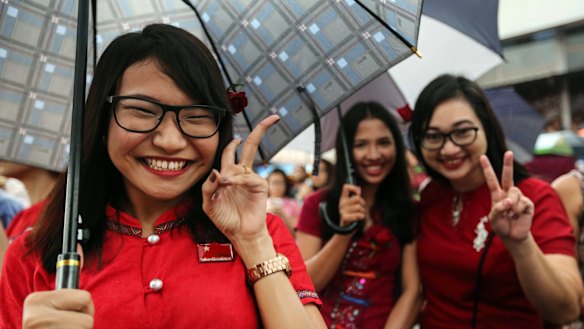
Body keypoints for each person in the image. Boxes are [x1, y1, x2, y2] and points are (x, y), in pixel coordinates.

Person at [0, 24, 325, 329]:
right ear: (101, 121)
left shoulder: (263, 233)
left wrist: (253, 244)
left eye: (197, 116)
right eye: (142, 111)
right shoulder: (35, 252)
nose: (170, 141)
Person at [408, 74, 583, 328]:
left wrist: (521, 244)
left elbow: (566, 310)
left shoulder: (533, 197)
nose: (448, 149)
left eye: (463, 132)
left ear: (487, 129)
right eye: (433, 136)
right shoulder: (430, 196)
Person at [296, 102, 421, 328]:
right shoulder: (316, 205)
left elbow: (412, 292)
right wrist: (344, 232)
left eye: (384, 142)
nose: (374, 154)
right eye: (361, 144)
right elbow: (305, 286)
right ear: (346, 151)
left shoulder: (408, 210)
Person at [267, 168, 301, 236]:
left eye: (281, 182)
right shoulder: (261, 203)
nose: (277, 186)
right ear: (267, 184)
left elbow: (295, 234)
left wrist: (283, 215)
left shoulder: (293, 204)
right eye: (274, 183)